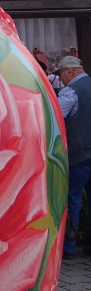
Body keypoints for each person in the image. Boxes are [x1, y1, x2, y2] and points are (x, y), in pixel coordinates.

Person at [55, 55, 91, 260]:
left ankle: (68, 247)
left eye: (60, 74)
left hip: (79, 155)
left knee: (72, 199)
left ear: (70, 71)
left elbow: (56, 116)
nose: (60, 80)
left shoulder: (71, 91)